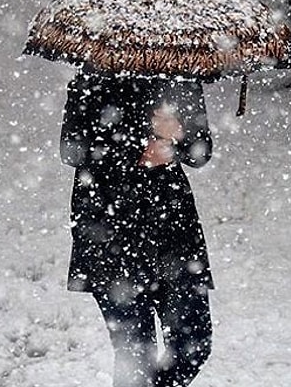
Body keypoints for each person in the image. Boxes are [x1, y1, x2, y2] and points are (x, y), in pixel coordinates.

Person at [60, 68, 214, 387]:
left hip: (172, 230)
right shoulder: (93, 77)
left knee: (194, 343)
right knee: (135, 354)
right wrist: (139, 148)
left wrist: (178, 136)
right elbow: (72, 149)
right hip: (109, 230)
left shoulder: (179, 73)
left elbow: (201, 152)